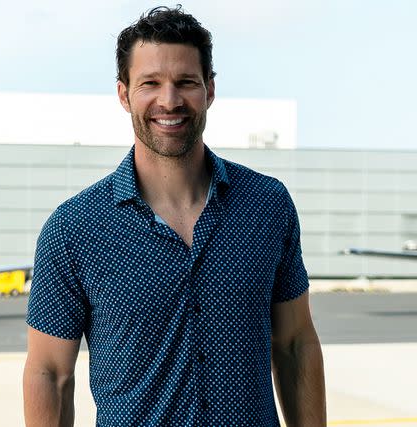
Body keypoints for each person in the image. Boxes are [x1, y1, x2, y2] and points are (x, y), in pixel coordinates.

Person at [23, 5, 326, 426]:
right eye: (150, 83)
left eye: (186, 82)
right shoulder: (74, 230)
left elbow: (295, 344)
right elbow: (50, 374)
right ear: (124, 94)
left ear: (210, 91)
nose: (169, 101)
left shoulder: (267, 205)